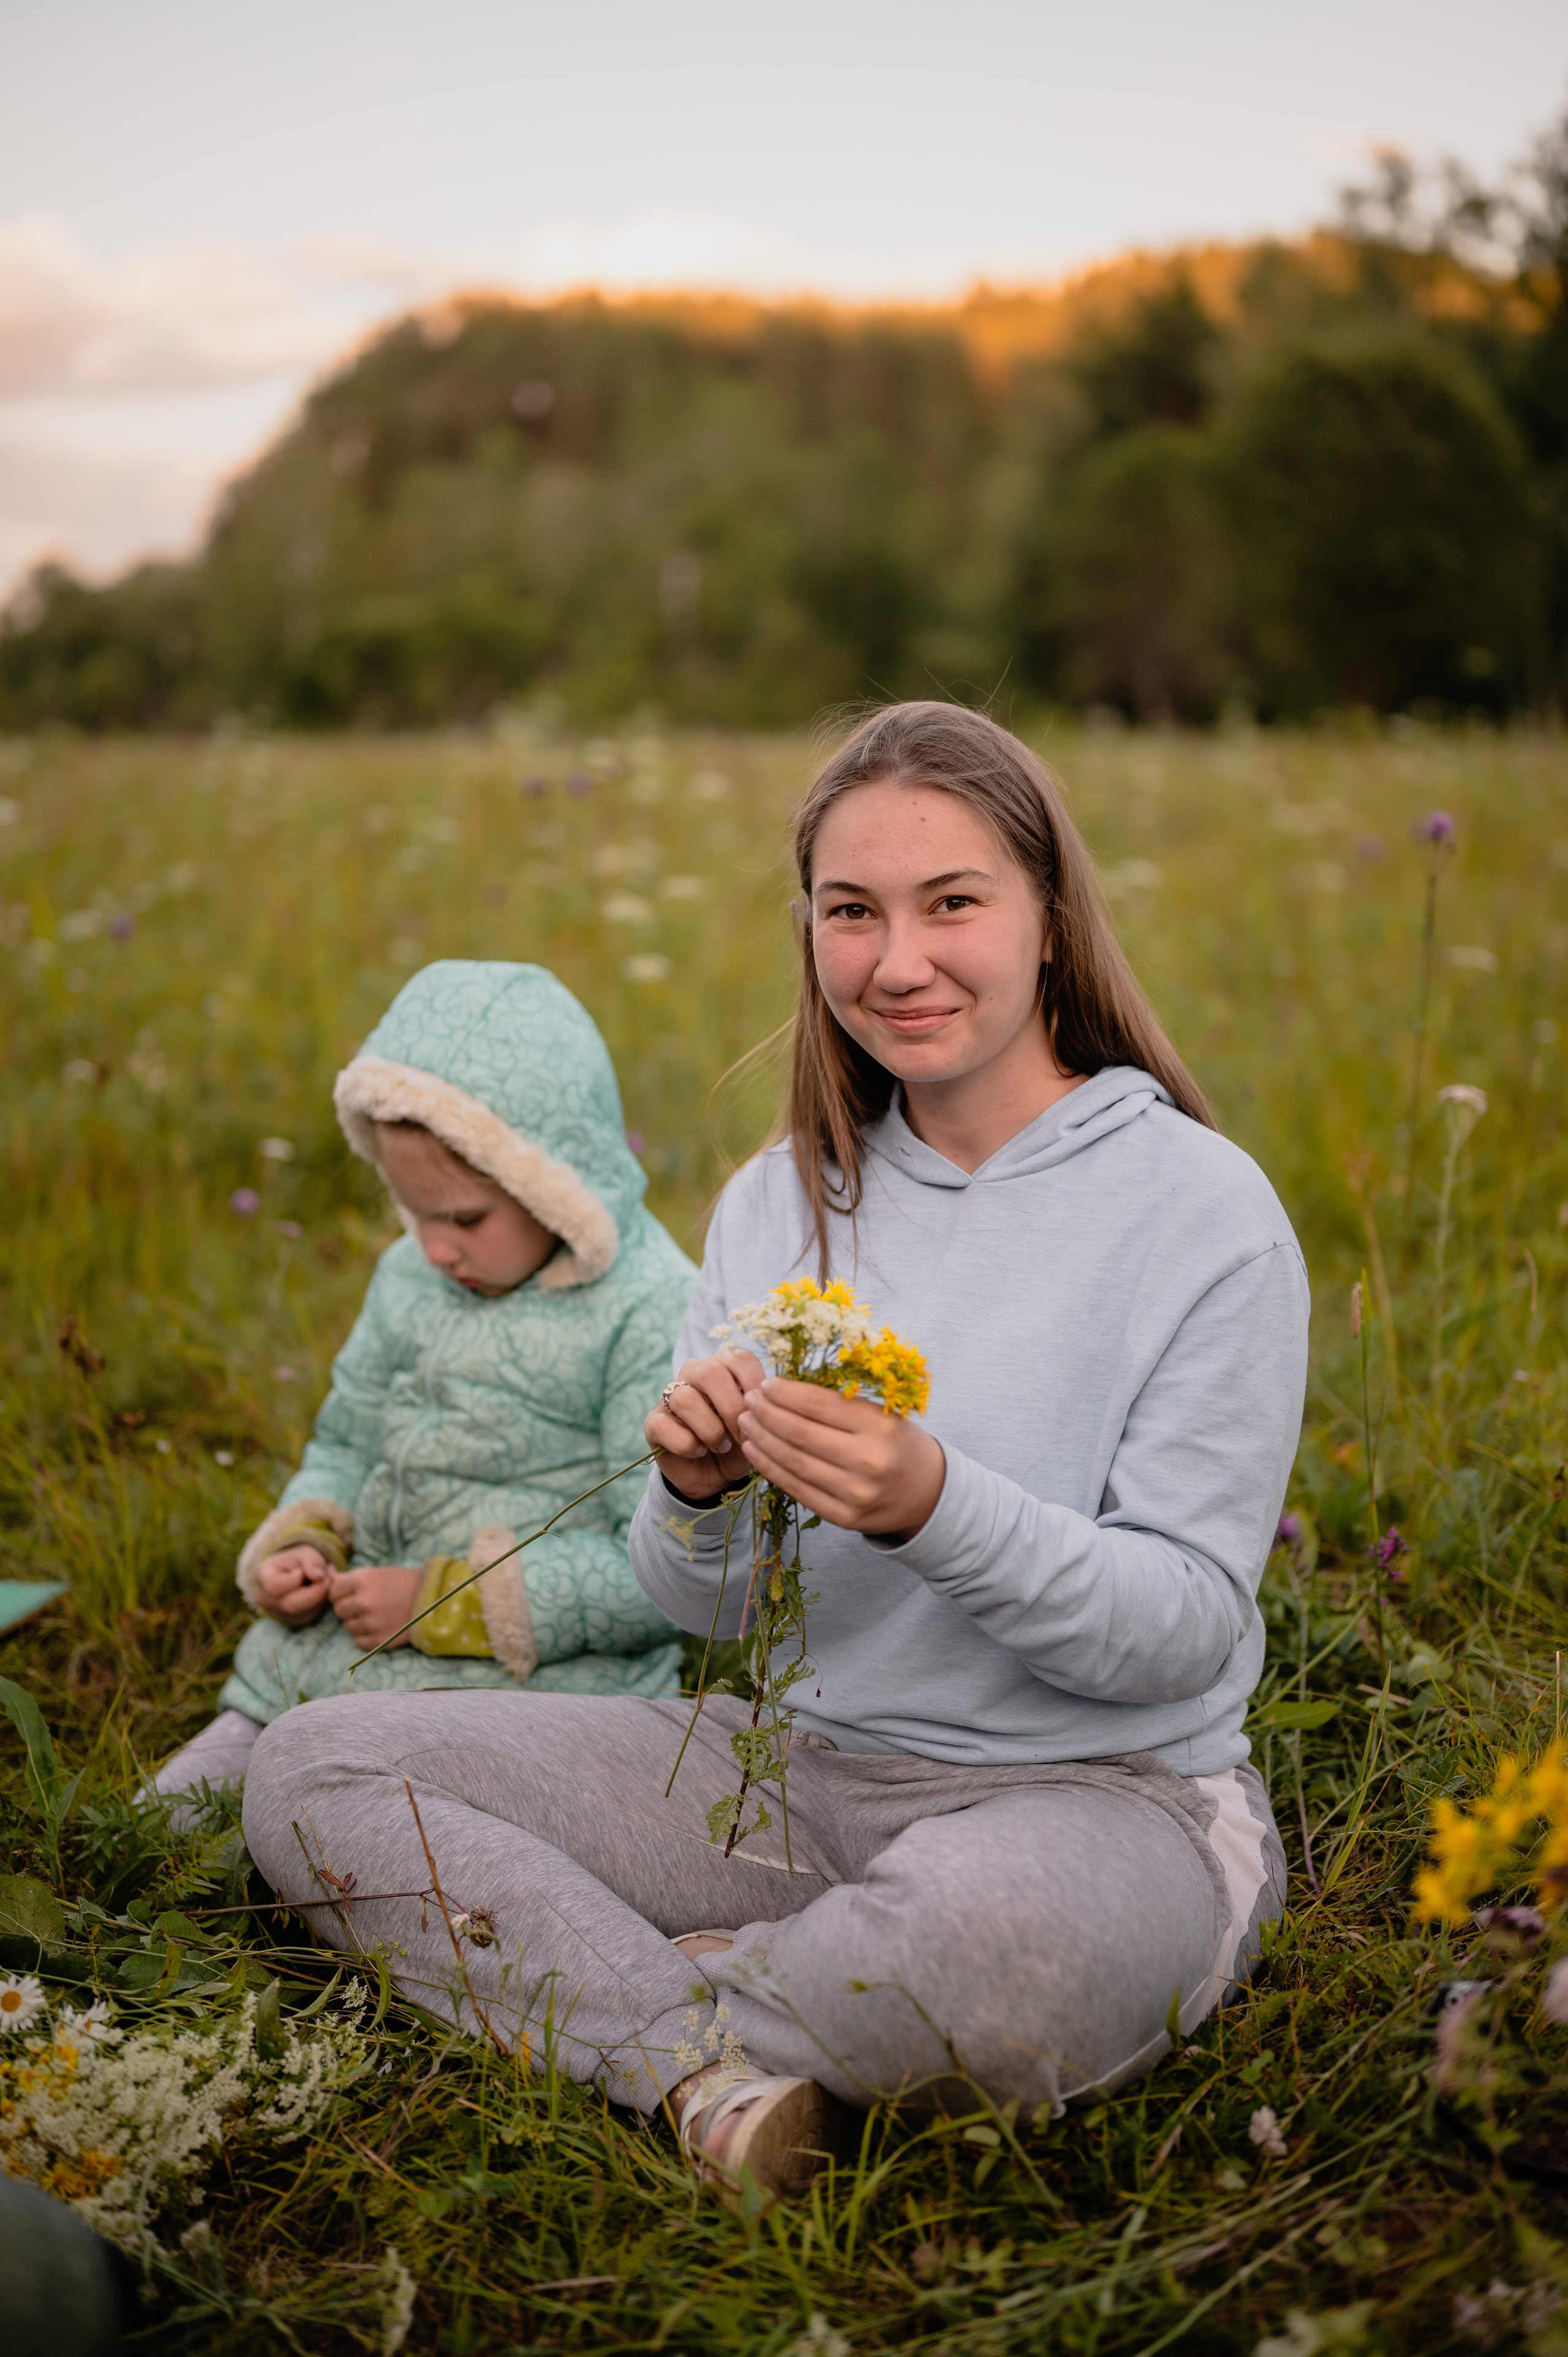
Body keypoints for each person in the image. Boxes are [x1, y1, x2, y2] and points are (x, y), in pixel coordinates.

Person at [241, 706, 1308, 2198]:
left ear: (1051, 918)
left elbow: (1183, 1633)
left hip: (1098, 1795)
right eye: (849, 911)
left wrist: (931, 1504)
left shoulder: (1199, 1211)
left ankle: (641, 2004)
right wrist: (691, 1495)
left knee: (993, 1957)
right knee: (313, 1765)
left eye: (952, 902)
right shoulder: (778, 1204)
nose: (896, 961)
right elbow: (707, 1611)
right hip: (796, 1777)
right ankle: (714, 2056)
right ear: (807, 928)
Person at [152, 959, 694, 1815]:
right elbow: (346, 1441)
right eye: (414, 1213)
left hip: (525, 1702)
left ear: (550, 1183)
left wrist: (448, 1605)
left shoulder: (647, 1308)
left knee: (375, 1836)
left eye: (465, 1218)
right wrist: (307, 1537)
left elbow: (659, 1563)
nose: (436, 1248)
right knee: (159, 1828)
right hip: (321, 1669)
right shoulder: (410, 1276)